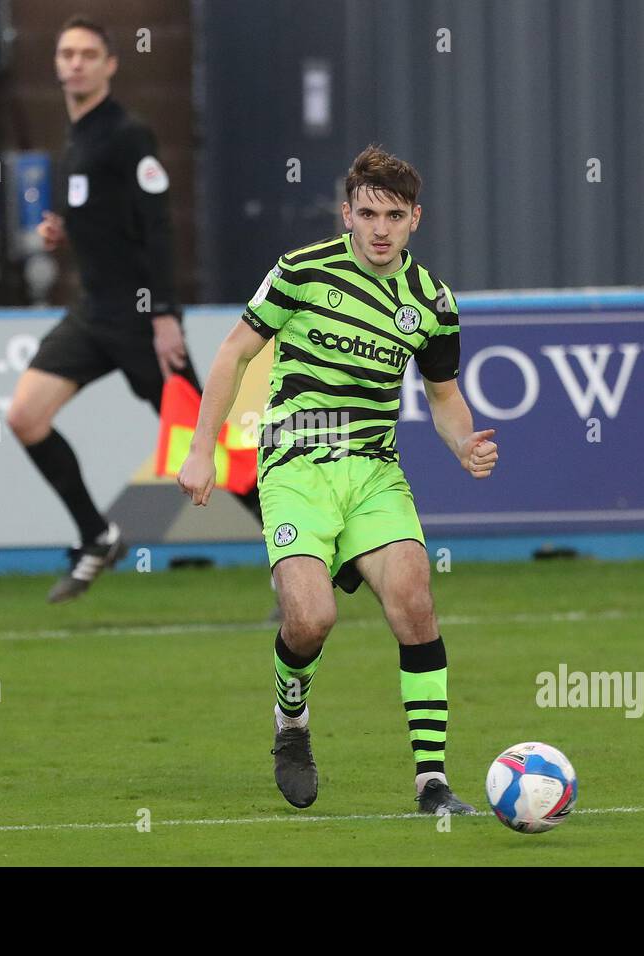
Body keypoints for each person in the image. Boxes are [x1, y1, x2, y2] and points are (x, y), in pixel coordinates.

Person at [176, 145, 498, 814]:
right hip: (296, 466)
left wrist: (464, 443)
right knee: (311, 619)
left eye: (395, 215)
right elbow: (235, 353)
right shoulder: (300, 272)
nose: (381, 228)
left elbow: (443, 397)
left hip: (374, 471)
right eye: (368, 213)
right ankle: (291, 718)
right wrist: (202, 450)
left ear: (416, 219)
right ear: (347, 214)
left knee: (414, 602)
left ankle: (432, 783)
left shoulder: (432, 303)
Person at [7, 15, 264, 604]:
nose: (74, 63)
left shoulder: (128, 134)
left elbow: (155, 225)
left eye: (87, 54)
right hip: (92, 314)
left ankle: (298, 554)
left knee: (212, 446)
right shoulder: (75, 138)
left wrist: (165, 314)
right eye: (65, 53)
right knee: (24, 418)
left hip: (141, 319)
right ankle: (98, 538)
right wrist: (62, 231)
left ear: (110, 64)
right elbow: (105, 219)